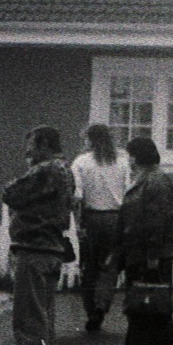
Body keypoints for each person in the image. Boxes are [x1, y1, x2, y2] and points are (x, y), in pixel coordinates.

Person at [1, 125, 75, 345]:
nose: (27, 150)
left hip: (34, 248)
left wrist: (25, 172)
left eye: (31, 144)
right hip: (51, 248)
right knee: (43, 314)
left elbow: (11, 194)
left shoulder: (46, 170)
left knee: (29, 315)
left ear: (44, 145)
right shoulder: (65, 170)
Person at [109, 136, 173, 345]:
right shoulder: (144, 178)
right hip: (138, 253)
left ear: (137, 156)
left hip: (151, 255)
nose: (127, 160)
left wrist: (152, 257)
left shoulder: (155, 180)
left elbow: (156, 222)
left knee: (150, 308)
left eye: (129, 155)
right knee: (138, 307)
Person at [71, 124, 128, 332]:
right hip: (115, 218)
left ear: (90, 140)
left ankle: (91, 311)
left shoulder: (81, 162)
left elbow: (77, 196)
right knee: (110, 266)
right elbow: (128, 192)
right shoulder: (122, 162)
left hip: (91, 218)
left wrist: (78, 224)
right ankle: (102, 305)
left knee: (89, 266)